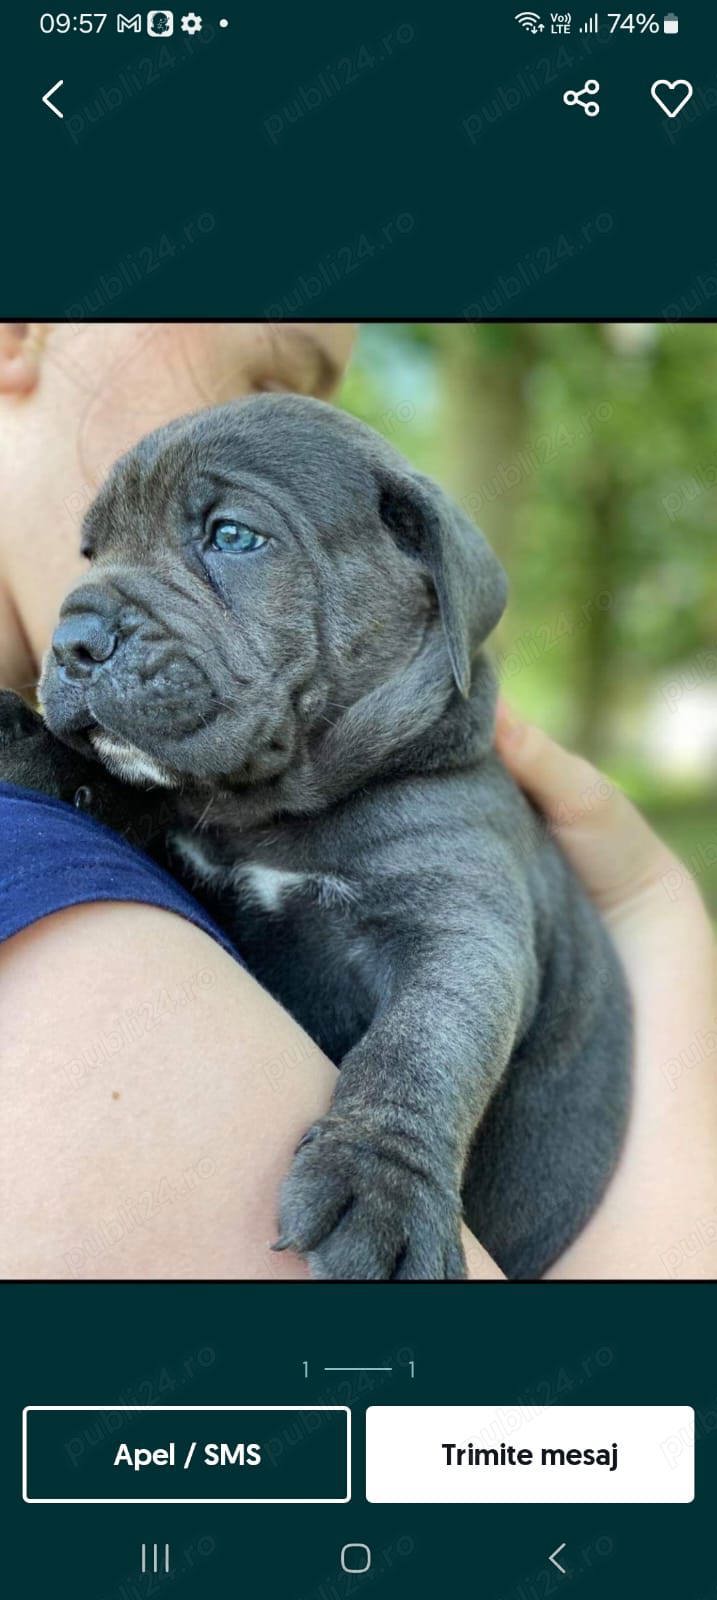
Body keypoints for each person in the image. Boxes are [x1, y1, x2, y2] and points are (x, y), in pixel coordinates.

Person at [0, 323, 714, 1280]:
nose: (91, 617)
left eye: (229, 536)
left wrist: (393, 1147)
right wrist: (655, 916)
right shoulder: (87, 833)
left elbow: (465, 955)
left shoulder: (438, 807)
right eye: (102, 554)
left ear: (427, 579)